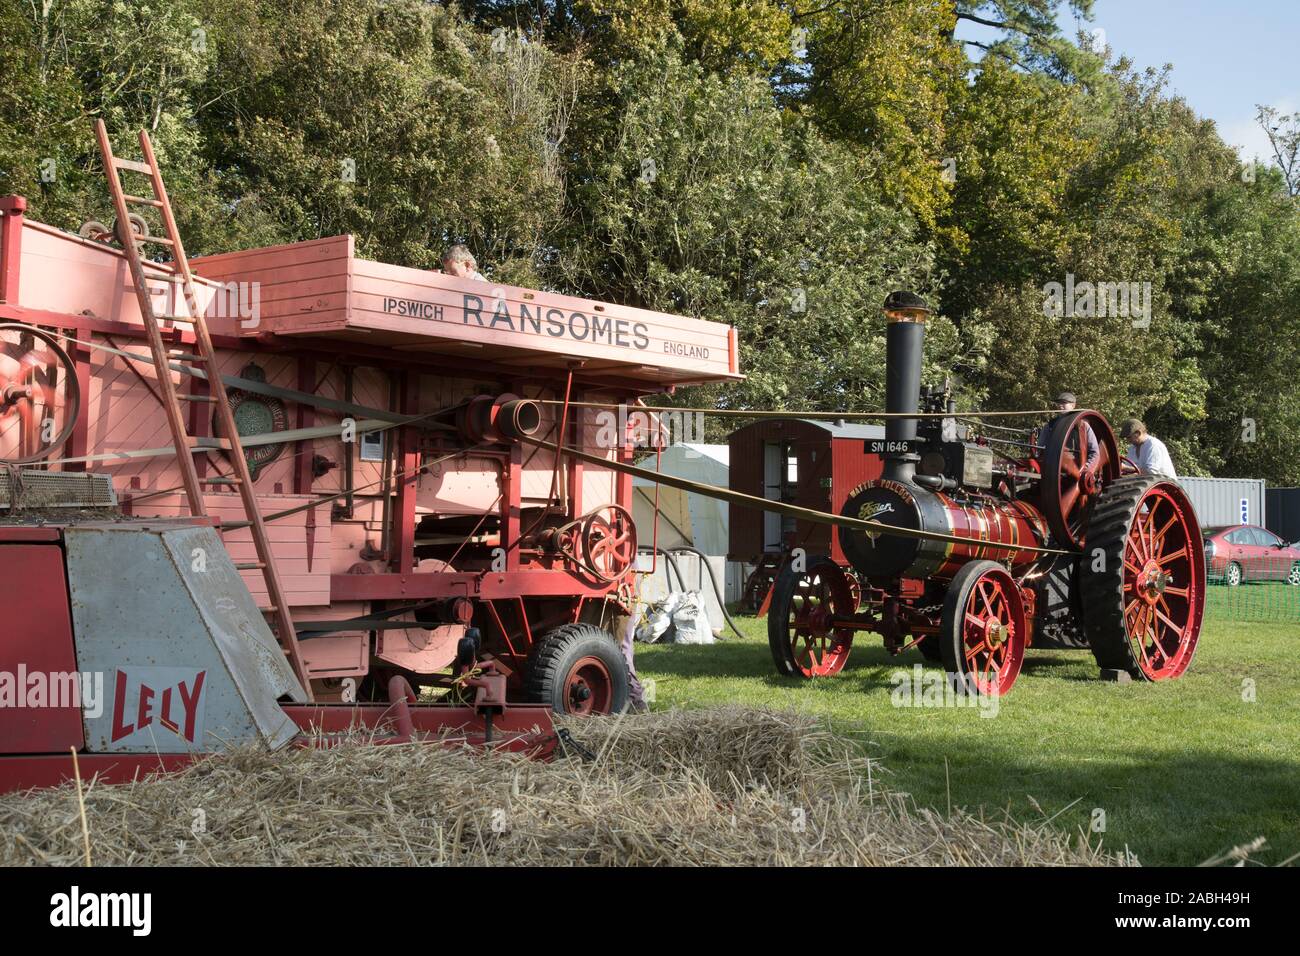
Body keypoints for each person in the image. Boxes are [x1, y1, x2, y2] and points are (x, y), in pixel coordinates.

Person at [1041, 390, 1099, 470]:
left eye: (1064, 403)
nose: (1060, 405)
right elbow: (1040, 449)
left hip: (1077, 469)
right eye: (1059, 403)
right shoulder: (1049, 426)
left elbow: (1094, 452)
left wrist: (1086, 468)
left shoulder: (1083, 426)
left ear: (1073, 405)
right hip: (1053, 470)